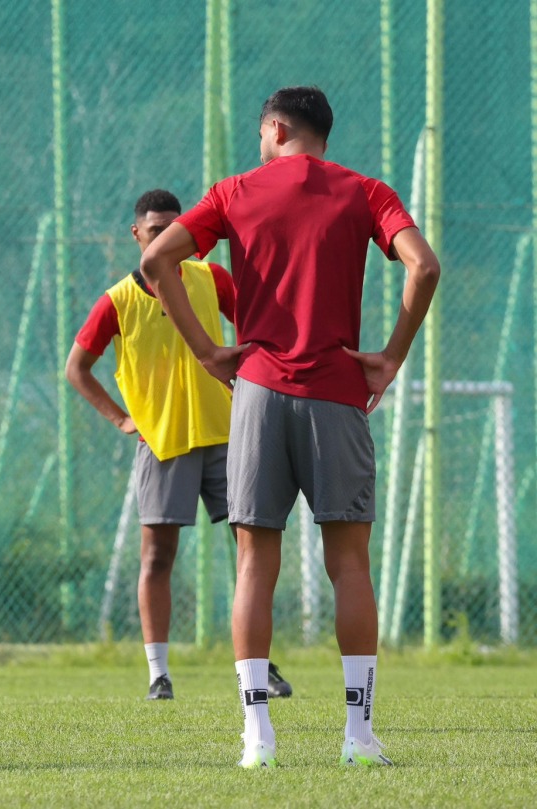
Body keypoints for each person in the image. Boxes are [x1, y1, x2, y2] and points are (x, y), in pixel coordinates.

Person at [140, 86, 440, 768]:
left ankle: (257, 739)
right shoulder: (366, 191)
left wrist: (209, 350)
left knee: (255, 563)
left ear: (274, 127)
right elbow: (424, 265)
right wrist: (391, 356)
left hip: (259, 392)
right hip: (337, 393)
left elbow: (159, 262)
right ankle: (358, 736)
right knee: (350, 564)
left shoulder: (236, 190)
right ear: (321, 134)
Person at [66, 189, 292, 702]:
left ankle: (261, 667)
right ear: (136, 235)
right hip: (163, 444)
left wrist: (257, 382)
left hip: (227, 436)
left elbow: (257, 329)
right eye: (154, 230)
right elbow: (76, 369)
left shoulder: (211, 279)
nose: (166, 238)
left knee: (251, 550)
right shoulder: (118, 301)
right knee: (157, 558)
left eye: (174, 229)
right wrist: (122, 419)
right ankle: (158, 674)